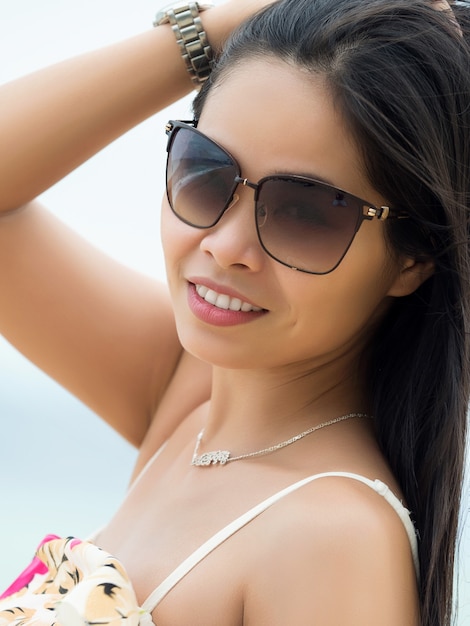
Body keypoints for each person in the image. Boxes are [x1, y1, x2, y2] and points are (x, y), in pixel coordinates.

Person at [0, 0, 468, 625]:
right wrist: (216, 28)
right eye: (206, 171)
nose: (224, 245)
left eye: (307, 212)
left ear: (414, 260)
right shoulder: (190, 405)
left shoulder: (329, 540)